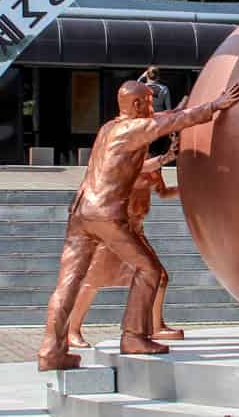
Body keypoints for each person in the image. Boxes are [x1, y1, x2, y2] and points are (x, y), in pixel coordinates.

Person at [37, 79, 239, 371]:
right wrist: (214, 105)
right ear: (136, 105)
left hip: (80, 213)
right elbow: (170, 123)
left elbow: (163, 119)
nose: (152, 107)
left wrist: (176, 111)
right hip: (106, 215)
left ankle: (51, 350)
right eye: (149, 102)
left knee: (67, 283)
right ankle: (134, 335)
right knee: (150, 270)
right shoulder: (133, 129)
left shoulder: (110, 127)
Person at [64, 140, 182, 350]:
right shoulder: (124, 165)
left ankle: (156, 326)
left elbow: (162, 193)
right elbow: (139, 168)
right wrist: (166, 157)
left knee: (160, 277)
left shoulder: (153, 168)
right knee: (93, 281)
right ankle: (71, 330)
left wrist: (186, 190)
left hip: (136, 231)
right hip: (115, 232)